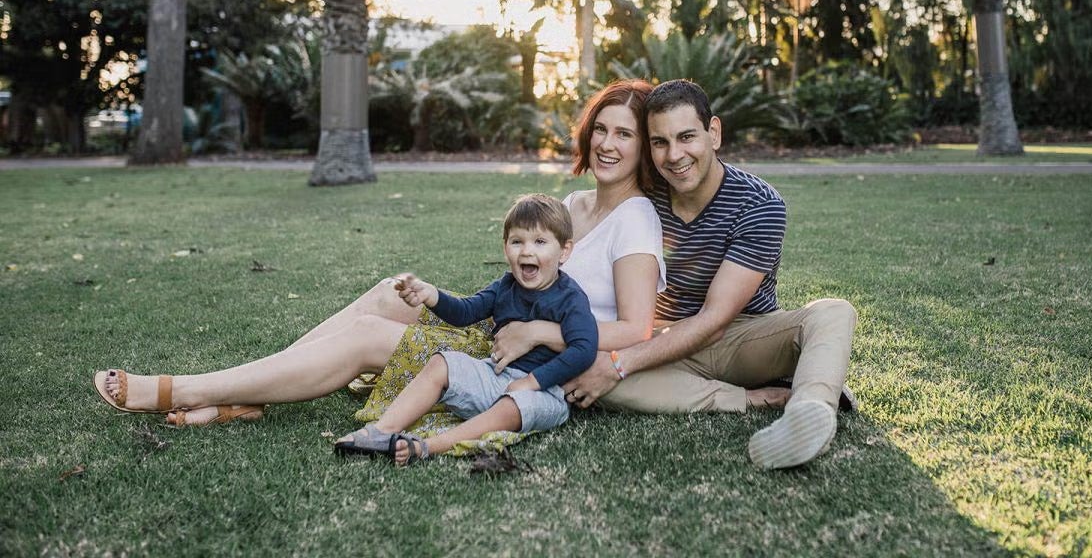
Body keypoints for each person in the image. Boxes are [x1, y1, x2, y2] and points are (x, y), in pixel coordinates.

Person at [91, 80, 668, 441]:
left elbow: (635, 329)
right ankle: (245, 394)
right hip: (499, 333)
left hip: (529, 366)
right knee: (389, 293)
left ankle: (189, 390)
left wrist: (539, 329)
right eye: (601, 128)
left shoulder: (636, 217)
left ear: (644, 148)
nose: (607, 143)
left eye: (626, 134)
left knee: (369, 335)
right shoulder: (572, 204)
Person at [562, 79, 858, 470]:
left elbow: (716, 321)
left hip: (744, 336)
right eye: (660, 142)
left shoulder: (760, 204)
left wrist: (620, 364)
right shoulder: (644, 199)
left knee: (833, 312)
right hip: (665, 341)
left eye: (687, 137)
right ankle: (760, 399)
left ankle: (809, 411)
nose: (674, 155)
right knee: (585, 372)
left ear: (713, 132)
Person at [334, 194, 597, 464]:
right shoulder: (505, 287)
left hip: (547, 392)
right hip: (497, 374)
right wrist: (431, 294)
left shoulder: (571, 298)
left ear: (564, 251)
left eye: (540, 242)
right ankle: (381, 432)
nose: (527, 251)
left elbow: (584, 349)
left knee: (513, 406)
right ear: (505, 247)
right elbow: (465, 312)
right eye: (517, 241)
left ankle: (427, 446)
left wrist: (532, 382)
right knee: (441, 362)